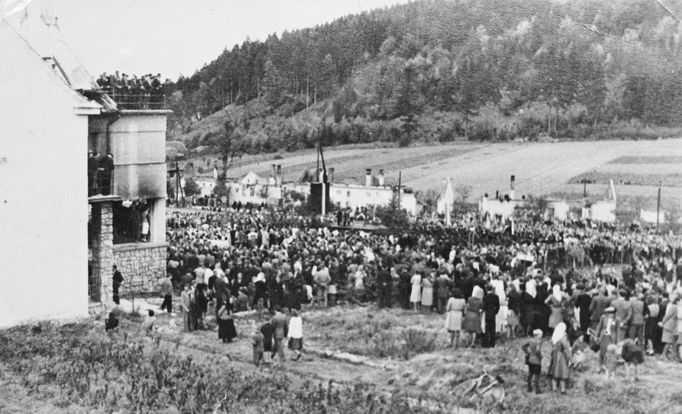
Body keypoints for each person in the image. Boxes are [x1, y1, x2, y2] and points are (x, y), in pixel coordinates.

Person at [548, 322, 571, 394]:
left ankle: (554, 388)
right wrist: (569, 358)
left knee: (554, 371)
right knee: (562, 373)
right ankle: (563, 389)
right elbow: (566, 349)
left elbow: (553, 346)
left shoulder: (554, 336)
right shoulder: (563, 338)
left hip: (555, 355)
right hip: (561, 356)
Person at [522, 329, 543, 394]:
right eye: (541, 334)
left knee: (530, 373)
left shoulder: (531, 340)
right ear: (538, 335)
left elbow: (523, 347)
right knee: (537, 375)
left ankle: (529, 387)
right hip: (537, 360)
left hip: (530, 359)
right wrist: (541, 356)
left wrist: (528, 353)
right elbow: (538, 350)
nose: (542, 336)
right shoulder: (539, 341)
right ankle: (537, 390)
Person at [660, 296, 678, 361]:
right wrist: (662, 322)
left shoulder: (677, 307)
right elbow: (667, 316)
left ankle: (667, 355)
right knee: (668, 342)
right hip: (669, 326)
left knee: (672, 342)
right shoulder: (674, 307)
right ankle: (663, 355)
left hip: (673, 327)